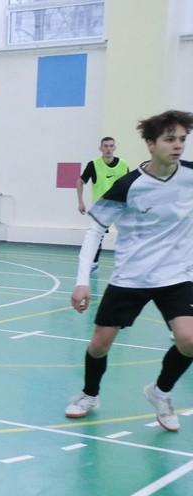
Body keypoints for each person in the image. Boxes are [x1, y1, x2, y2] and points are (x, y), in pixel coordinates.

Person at [65, 110, 193, 431]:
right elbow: (95, 230)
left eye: (182, 139)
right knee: (99, 345)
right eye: (169, 139)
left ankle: (161, 392)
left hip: (176, 276)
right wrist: (82, 282)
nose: (178, 145)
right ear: (150, 144)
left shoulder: (191, 175)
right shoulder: (128, 185)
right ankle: (89, 394)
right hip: (130, 277)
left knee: (190, 340)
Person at [76, 136, 131, 272]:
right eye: (105, 146)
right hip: (102, 208)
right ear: (100, 148)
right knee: (97, 237)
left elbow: (129, 185)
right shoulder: (93, 164)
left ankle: (127, 264)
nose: (108, 149)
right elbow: (80, 181)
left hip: (120, 206)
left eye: (111, 146)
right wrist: (81, 202)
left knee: (128, 235)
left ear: (115, 148)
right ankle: (94, 263)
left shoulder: (123, 164)